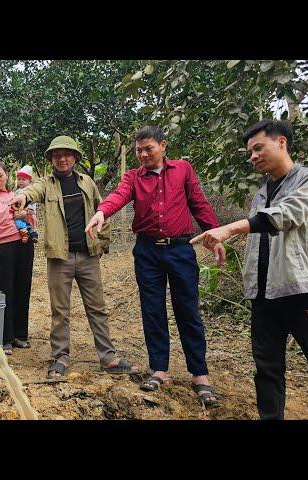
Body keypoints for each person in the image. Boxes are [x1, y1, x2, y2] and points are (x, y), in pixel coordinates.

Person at [191, 119, 308, 419]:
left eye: (258, 148)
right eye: (250, 152)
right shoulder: (263, 192)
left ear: (281, 142)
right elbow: (261, 237)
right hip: (263, 294)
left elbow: (289, 214)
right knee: (267, 369)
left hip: (303, 290)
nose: (253, 157)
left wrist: (231, 228)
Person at [86, 125, 224, 406]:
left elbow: (198, 203)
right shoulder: (134, 177)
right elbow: (118, 195)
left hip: (180, 249)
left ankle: (200, 374)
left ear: (163, 146)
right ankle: (159, 369)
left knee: (187, 310)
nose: (143, 154)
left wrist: (216, 234)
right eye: (139, 150)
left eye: (148, 148)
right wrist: (101, 212)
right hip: (147, 251)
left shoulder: (183, 169)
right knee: (152, 310)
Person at [11, 135, 135, 379]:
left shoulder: (87, 182)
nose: (62, 159)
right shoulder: (46, 184)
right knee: (60, 310)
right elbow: (32, 191)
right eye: (57, 155)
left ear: (75, 157)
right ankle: (60, 357)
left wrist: (103, 243)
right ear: (51, 160)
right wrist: (22, 197)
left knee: (97, 307)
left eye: (67, 154)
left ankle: (107, 356)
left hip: (88, 255)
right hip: (60, 258)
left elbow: (102, 210)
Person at [0, 161, 35, 355]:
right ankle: (5, 338)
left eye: (0, 176)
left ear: (7, 176)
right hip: (4, 245)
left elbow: (32, 219)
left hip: (25, 244)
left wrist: (25, 215)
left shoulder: (17, 195)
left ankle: (21, 335)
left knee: (23, 288)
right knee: (5, 290)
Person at [13, 165, 39, 243]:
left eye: (23, 179)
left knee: (21, 223)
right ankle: (31, 234)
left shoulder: (31, 190)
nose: (20, 181)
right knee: (22, 223)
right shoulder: (17, 190)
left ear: (29, 181)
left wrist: (29, 210)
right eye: (19, 179)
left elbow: (32, 202)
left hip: (28, 212)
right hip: (19, 211)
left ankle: (25, 233)